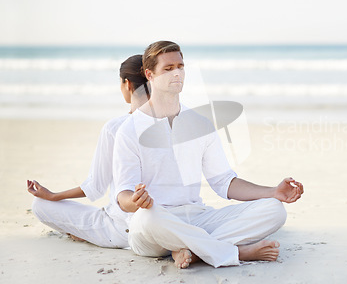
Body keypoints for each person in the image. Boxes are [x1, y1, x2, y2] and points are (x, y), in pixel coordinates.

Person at [113, 41, 304, 268]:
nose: (177, 73)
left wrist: (273, 191)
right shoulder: (130, 129)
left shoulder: (200, 124)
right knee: (146, 218)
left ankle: (190, 250)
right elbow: (123, 197)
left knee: (274, 210)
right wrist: (135, 201)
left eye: (180, 66)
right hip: (153, 223)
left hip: (196, 217)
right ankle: (235, 253)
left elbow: (224, 182)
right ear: (149, 74)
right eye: (168, 68)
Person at [27, 54, 149, 248]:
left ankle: (86, 233)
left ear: (127, 84)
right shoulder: (170, 123)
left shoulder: (116, 128)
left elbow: (95, 186)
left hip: (120, 229)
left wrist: (53, 196)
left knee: (40, 205)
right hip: (161, 224)